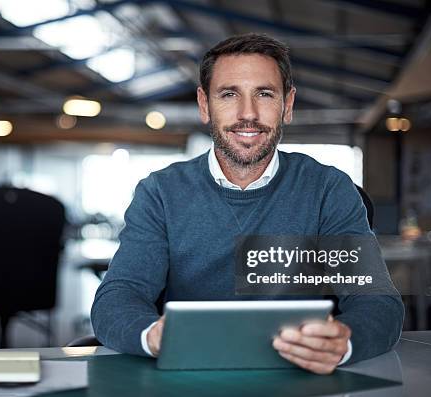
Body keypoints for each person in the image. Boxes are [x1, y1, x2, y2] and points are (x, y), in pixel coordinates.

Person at [91, 33, 404, 375]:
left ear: (287, 105)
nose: (248, 114)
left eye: (265, 94)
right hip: (188, 376)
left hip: (300, 378)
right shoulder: (160, 192)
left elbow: (377, 302)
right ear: (204, 105)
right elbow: (119, 296)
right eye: (229, 94)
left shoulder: (328, 189)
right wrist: (153, 336)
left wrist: (345, 342)